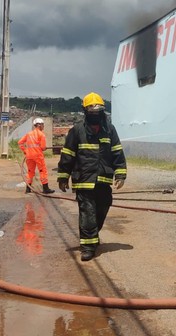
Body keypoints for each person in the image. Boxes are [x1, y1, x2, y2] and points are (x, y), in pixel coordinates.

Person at [57, 92, 127, 262]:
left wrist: (121, 173)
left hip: (103, 179)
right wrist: (63, 176)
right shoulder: (77, 130)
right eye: (92, 110)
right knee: (88, 212)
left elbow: (117, 151)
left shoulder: (109, 129)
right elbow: (68, 154)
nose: (95, 113)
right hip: (84, 180)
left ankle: (92, 237)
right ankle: (88, 247)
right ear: (85, 111)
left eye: (98, 110)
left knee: (103, 207)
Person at [18, 118, 55, 194]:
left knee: (30, 172)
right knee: (42, 171)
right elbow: (43, 147)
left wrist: (25, 151)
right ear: (39, 125)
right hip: (38, 156)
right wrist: (44, 148)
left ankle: (28, 189)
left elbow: (20, 142)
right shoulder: (41, 135)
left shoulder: (29, 134)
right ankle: (45, 188)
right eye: (42, 124)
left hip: (29, 156)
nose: (43, 126)